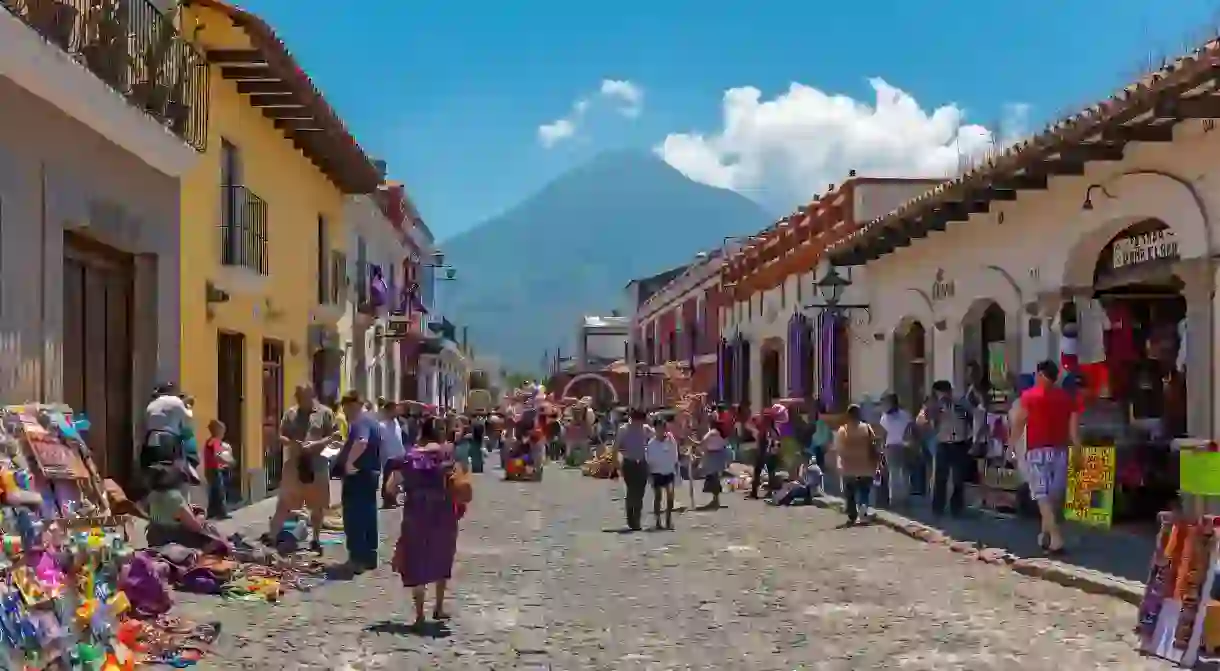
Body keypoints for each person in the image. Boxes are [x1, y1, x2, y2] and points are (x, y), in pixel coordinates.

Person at [384, 418, 462, 628]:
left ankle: (419, 614)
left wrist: (404, 491)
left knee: (416, 559)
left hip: (416, 513)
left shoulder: (409, 457)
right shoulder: (447, 454)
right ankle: (438, 607)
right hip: (443, 512)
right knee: (442, 555)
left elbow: (391, 488)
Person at [1009, 360, 1078, 555]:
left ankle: (1056, 537)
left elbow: (1019, 423)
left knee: (1041, 495)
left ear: (1040, 375)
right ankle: (1045, 534)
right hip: (1060, 450)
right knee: (1053, 496)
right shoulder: (1066, 398)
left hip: (1037, 450)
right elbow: (1073, 426)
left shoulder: (1029, 397)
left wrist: (1011, 445)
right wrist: (1077, 446)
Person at [266, 384, 337, 554]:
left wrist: (317, 444)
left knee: (317, 505)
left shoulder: (325, 413)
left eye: (302, 395)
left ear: (311, 394)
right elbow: (281, 435)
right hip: (294, 463)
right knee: (284, 503)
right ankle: (272, 537)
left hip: (317, 464)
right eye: (297, 395)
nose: (298, 399)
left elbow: (335, 437)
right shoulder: (290, 413)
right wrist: (291, 443)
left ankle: (316, 539)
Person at [336, 391, 383, 571]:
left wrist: (348, 463)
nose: (345, 413)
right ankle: (370, 556)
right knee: (369, 516)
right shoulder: (373, 420)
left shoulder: (360, 421)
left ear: (352, 405)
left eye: (345, 408)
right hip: (371, 473)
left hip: (358, 475)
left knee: (354, 517)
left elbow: (362, 442)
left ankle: (357, 559)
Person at [917, 380, 974, 517]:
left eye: (945, 392)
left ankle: (957, 508)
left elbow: (972, 418)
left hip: (960, 443)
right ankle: (938, 508)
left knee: (958, 478)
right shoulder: (933, 405)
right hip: (943, 442)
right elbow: (920, 421)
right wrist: (931, 414)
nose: (943, 395)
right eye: (940, 393)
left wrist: (971, 437)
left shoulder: (961, 403)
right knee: (940, 477)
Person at [144, 463, 231, 554]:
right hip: (177, 540)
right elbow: (195, 526)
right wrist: (201, 515)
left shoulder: (152, 495)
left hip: (157, 539)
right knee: (211, 532)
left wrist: (187, 507)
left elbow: (168, 514)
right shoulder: (174, 497)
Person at [832, 404, 880, 525]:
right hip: (865, 466)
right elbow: (874, 444)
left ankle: (852, 514)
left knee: (850, 492)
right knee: (864, 490)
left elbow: (839, 448)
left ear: (848, 415)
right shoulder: (867, 428)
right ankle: (863, 509)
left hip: (849, 467)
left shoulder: (843, 430)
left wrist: (839, 463)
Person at [612, 408, 653, 531]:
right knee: (631, 490)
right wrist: (616, 464)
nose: (640, 423)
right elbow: (615, 448)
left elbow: (657, 438)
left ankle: (637, 518)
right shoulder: (623, 430)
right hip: (629, 463)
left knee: (640, 491)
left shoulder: (645, 429)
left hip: (642, 463)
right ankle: (631, 517)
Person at [878, 392, 914, 508]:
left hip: (900, 446)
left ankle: (899, 498)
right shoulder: (902, 415)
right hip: (896, 446)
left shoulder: (894, 416)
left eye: (885, 403)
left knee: (900, 473)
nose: (884, 405)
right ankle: (899, 498)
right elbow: (883, 434)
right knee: (898, 473)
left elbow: (910, 429)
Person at [646, 417, 679, 530]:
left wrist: (674, 465)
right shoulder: (651, 443)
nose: (660, 430)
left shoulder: (670, 440)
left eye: (662, 428)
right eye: (658, 428)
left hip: (669, 472)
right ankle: (658, 520)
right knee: (658, 496)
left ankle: (668, 519)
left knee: (670, 495)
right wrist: (649, 474)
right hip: (656, 473)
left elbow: (675, 454)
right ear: (655, 429)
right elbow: (648, 459)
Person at [202, 419, 233, 520]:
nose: (223, 434)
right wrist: (228, 461)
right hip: (215, 469)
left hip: (208, 469)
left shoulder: (209, 441)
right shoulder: (215, 441)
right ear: (218, 431)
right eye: (222, 431)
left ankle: (211, 512)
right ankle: (222, 513)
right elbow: (217, 455)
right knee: (219, 491)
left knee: (213, 491)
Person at [696, 420, 730, 510]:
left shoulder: (712, 433)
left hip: (712, 458)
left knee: (713, 479)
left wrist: (691, 441)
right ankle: (716, 500)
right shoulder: (721, 434)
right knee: (715, 478)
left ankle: (715, 501)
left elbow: (702, 442)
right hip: (720, 457)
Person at [380, 401, 407, 509]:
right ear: (388, 411)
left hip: (399, 455)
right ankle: (386, 501)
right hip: (389, 457)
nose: (396, 411)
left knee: (397, 480)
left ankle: (393, 499)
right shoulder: (381, 425)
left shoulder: (396, 422)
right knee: (388, 480)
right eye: (393, 409)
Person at [748, 411, 779, 499]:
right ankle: (770, 492)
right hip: (771, 454)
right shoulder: (773, 429)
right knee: (771, 473)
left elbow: (767, 442)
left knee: (758, 473)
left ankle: (754, 493)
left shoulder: (765, 429)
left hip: (764, 454)